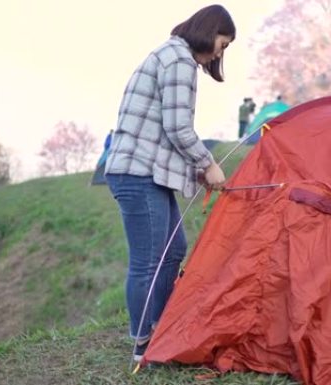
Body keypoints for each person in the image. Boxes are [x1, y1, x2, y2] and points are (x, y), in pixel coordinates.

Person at [103, 4, 234, 363]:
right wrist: (208, 163)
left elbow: (161, 134)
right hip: (137, 173)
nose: (221, 53)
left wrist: (197, 173)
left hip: (148, 171)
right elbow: (178, 128)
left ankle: (160, 327)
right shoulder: (178, 60)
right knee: (147, 261)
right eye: (223, 43)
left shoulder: (171, 55)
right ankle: (143, 343)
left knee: (174, 250)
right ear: (209, 32)